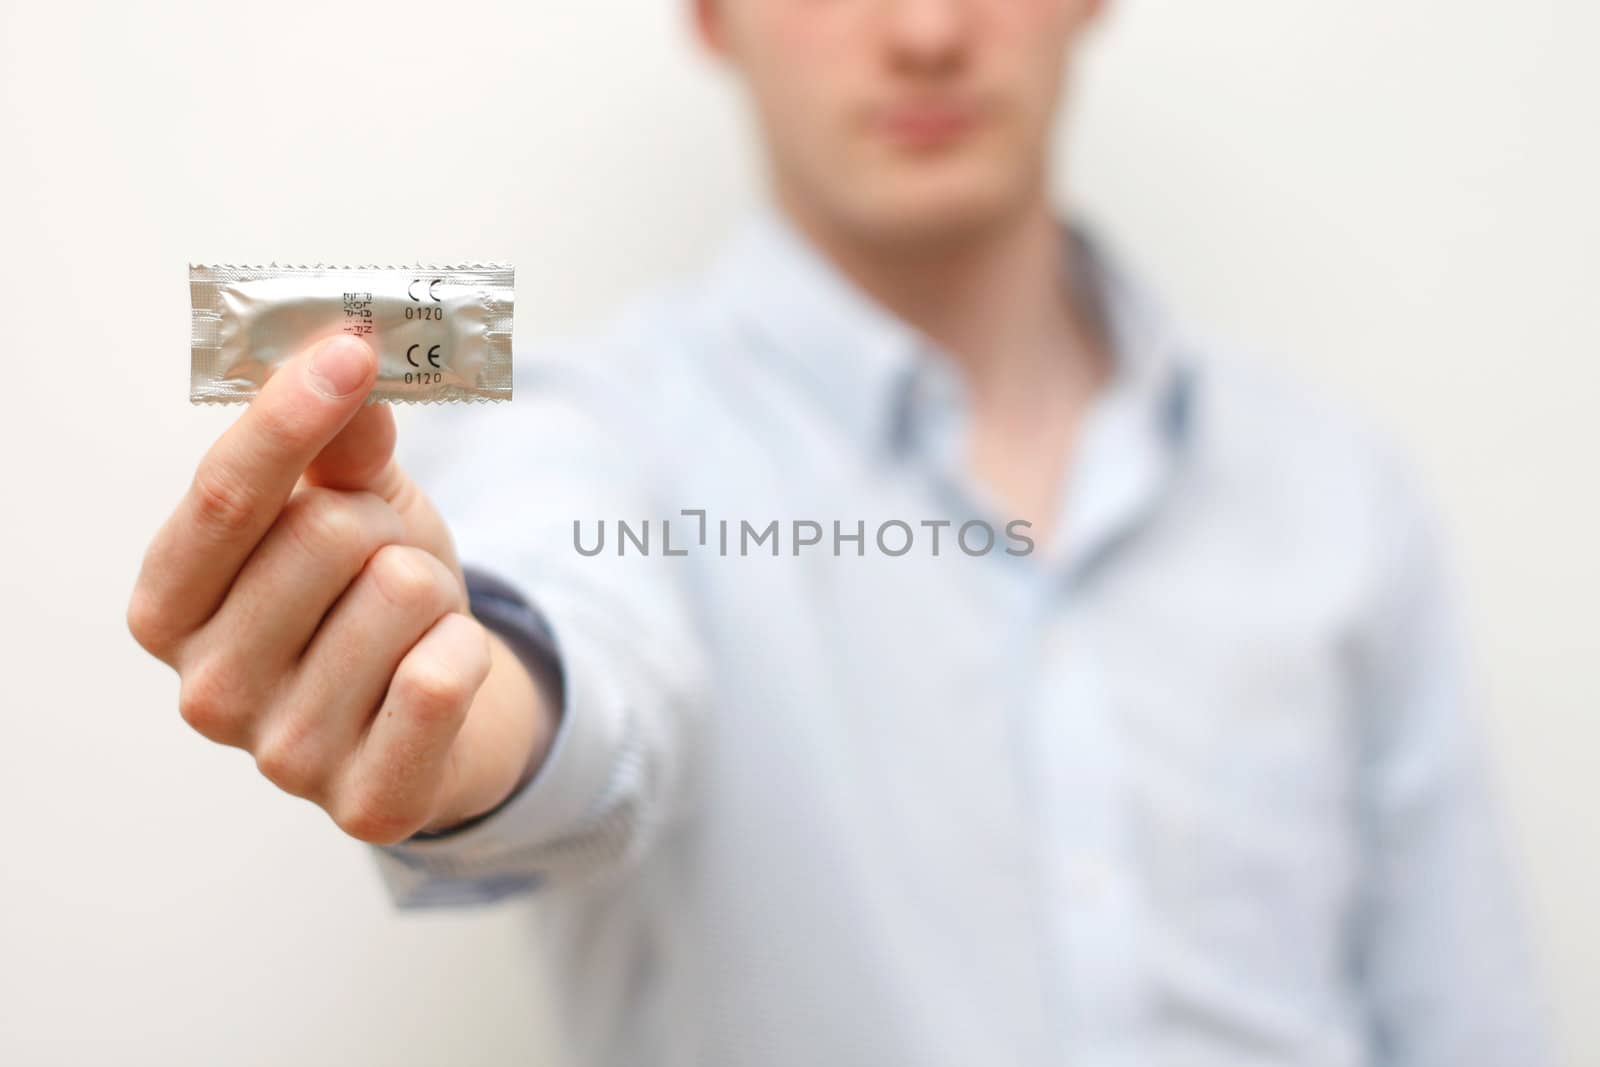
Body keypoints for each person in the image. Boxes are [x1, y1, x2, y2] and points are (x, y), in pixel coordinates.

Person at [127, 1, 1552, 1064]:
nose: (927, 32)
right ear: (709, 14)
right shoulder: (590, 426)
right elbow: (557, 644)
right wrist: (455, 695)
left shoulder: (1335, 491)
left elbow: (1469, 1019)